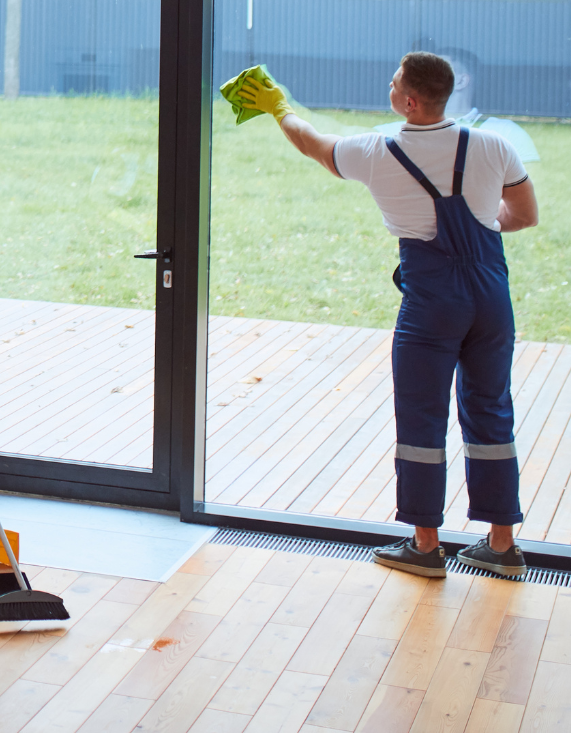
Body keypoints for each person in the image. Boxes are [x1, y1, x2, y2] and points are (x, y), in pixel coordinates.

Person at [231, 52, 539, 578]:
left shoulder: (377, 151)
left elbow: (311, 143)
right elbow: (524, 216)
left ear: (410, 100)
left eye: (395, 82)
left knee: (421, 415)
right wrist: (478, 234)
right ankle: (503, 546)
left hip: (432, 304)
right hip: (491, 298)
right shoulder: (493, 146)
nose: (389, 86)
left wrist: (277, 106)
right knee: (491, 409)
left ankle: (425, 546)